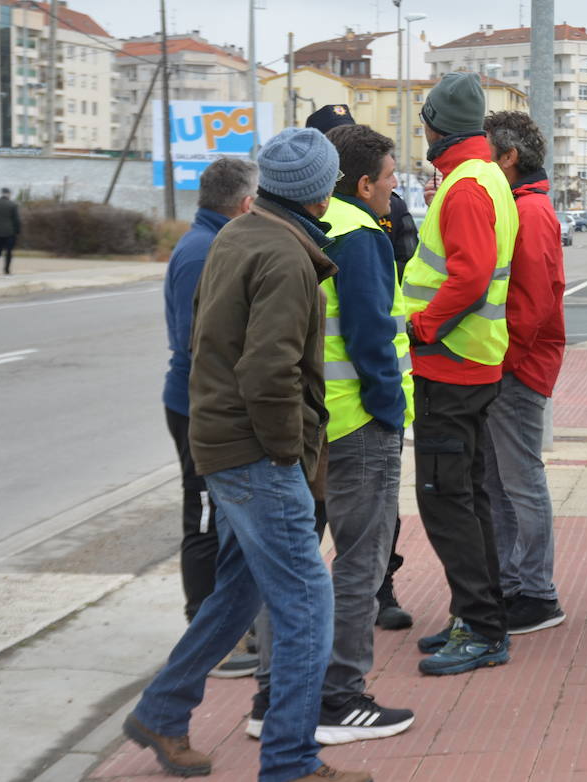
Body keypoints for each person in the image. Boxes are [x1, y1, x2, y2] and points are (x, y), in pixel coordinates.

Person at [124, 127, 371, 782]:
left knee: (239, 591)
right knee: (307, 604)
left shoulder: (239, 234)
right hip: (257, 454)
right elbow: (268, 376)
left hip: (223, 442)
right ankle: (291, 761)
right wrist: (289, 456)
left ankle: (162, 709)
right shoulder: (287, 258)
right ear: (322, 192)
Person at [404, 72, 519, 675]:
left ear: (434, 125)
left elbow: (470, 277)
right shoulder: (484, 179)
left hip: (452, 363)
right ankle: (476, 615)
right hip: (471, 362)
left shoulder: (468, 187)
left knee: (446, 499)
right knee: (467, 497)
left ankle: (480, 627)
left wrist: (423, 326)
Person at [313, 122, 415, 741]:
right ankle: (341, 697)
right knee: (360, 565)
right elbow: (371, 335)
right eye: (389, 176)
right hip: (360, 422)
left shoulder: (311, 222)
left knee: (299, 564)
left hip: (314, 420)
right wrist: (390, 412)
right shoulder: (360, 236)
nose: (395, 186)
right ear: (363, 183)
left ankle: (276, 698)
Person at [160, 157, 259, 679]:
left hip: (206, 403)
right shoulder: (205, 251)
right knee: (202, 518)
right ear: (245, 204)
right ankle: (206, 637)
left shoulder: (212, 241)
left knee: (221, 516)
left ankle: (225, 626)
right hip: (197, 406)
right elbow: (198, 341)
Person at [479, 110, 567, 635]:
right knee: (501, 482)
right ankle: (514, 585)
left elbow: (531, 306)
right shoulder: (519, 205)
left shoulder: (529, 212)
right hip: (510, 366)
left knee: (520, 481)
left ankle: (537, 592)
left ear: (509, 158)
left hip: (516, 369)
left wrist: (500, 363)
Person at [0, 187, 21, 277]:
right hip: (9, 232)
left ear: (1, 193)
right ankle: (6, 270)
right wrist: (17, 231)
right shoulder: (12, 205)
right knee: (8, 252)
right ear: (9, 194)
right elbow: (16, 220)